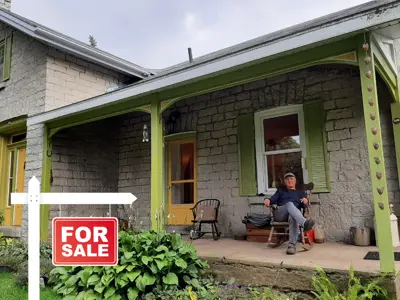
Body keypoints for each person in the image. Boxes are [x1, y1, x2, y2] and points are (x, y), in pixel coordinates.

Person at [264, 173, 315, 255]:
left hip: (293, 215)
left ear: (295, 181)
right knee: (289, 204)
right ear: (285, 182)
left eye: (291, 179)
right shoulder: (281, 191)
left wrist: (305, 202)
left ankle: (291, 246)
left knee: (293, 217)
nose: (289, 180)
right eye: (287, 179)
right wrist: (267, 200)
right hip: (280, 214)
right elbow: (271, 200)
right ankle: (304, 223)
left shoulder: (301, 193)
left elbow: (305, 206)